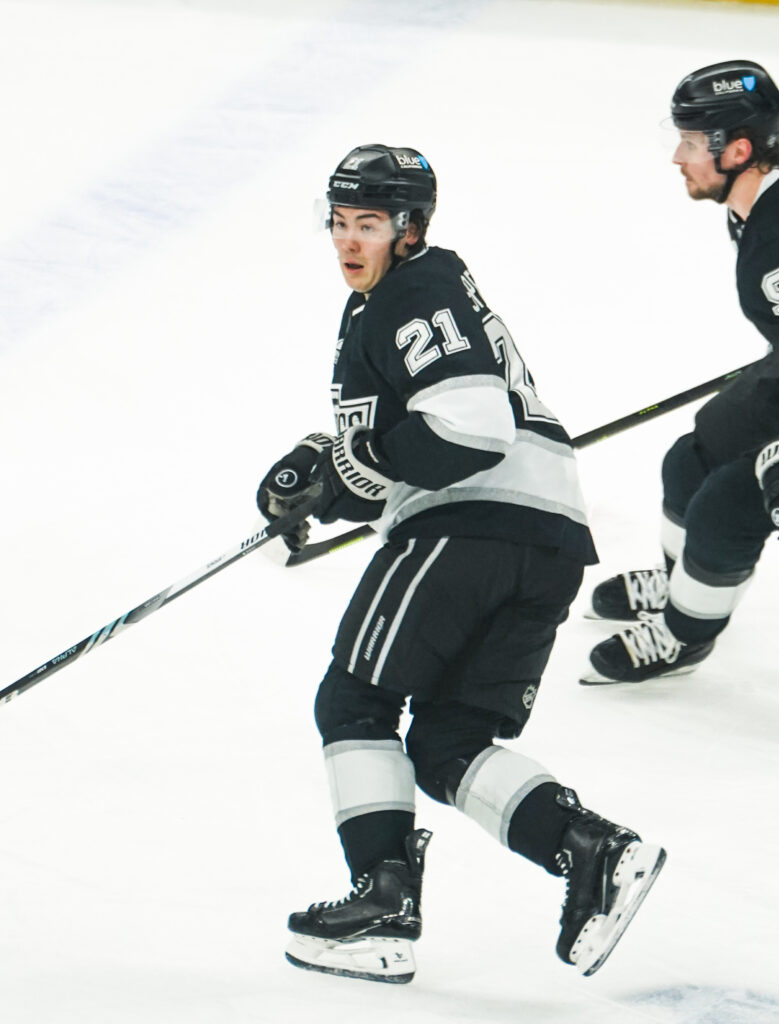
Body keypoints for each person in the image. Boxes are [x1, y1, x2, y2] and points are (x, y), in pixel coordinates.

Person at [256, 144, 665, 984]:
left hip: (468, 529)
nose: (346, 240)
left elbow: (470, 429)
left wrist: (350, 465)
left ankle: (382, 902)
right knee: (447, 745)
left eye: (367, 223)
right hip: (542, 538)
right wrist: (331, 470)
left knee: (354, 700)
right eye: (337, 222)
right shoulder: (407, 299)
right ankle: (590, 849)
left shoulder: (413, 290)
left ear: (409, 229)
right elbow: (415, 442)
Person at [582, 60, 779, 685]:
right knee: (690, 462)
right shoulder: (750, 204)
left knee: (729, 503)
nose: (677, 156)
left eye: (692, 142)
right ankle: (680, 584)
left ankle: (684, 636)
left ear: (738, 150)